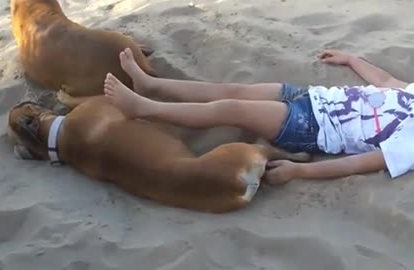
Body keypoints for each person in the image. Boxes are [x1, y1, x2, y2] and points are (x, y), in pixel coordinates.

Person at [103, 47, 414, 184]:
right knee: (233, 89)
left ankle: (143, 107)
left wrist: (300, 172)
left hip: (311, 127)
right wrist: (351, 59)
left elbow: (362, 162)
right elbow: (386, 81)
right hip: (310, 96)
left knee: (231, 110)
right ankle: (150, 84)